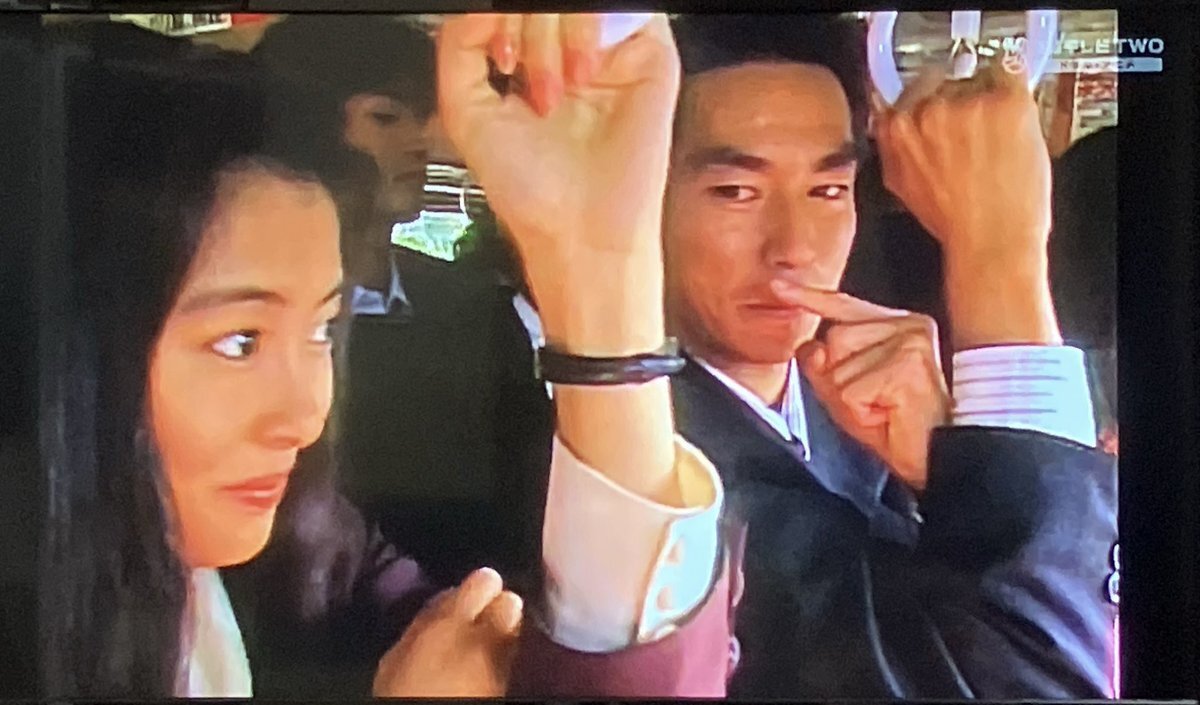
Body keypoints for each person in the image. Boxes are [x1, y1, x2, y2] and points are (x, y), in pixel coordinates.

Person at [39, 14, 734, 699]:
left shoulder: (308, 549)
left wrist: (600, 273)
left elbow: (567, 660)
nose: (306, 416)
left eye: (322, 329)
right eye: (240, 342)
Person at [662, 14, 1116, 697]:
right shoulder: (641, 467)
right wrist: (997, 256)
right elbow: (1035, 681)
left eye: (828, 190)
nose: (794, 248)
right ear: (638, 199)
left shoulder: (859, 400)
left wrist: (950, 471)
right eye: (736, 192)